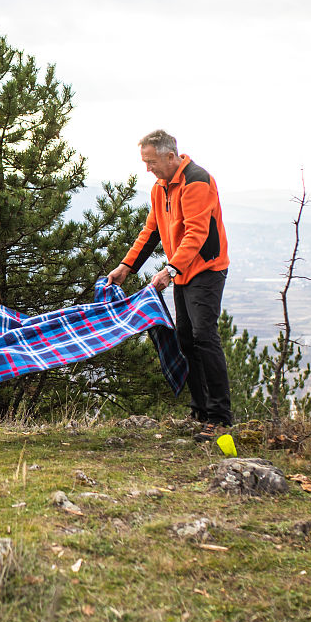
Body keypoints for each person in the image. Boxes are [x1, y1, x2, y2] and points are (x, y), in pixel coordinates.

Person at [107, 130, 232, 442]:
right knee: (186, 339)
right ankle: (200, 410)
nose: (147, 168)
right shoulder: (159, 188)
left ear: (170, 156)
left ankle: (220, 417)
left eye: (151, 162)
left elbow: (197, 233)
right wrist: (127, 266)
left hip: (206, 269)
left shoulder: (197, 181)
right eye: (145, 162)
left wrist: (171, 268)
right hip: (183, 271)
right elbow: (151, 231)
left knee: (205, 337)